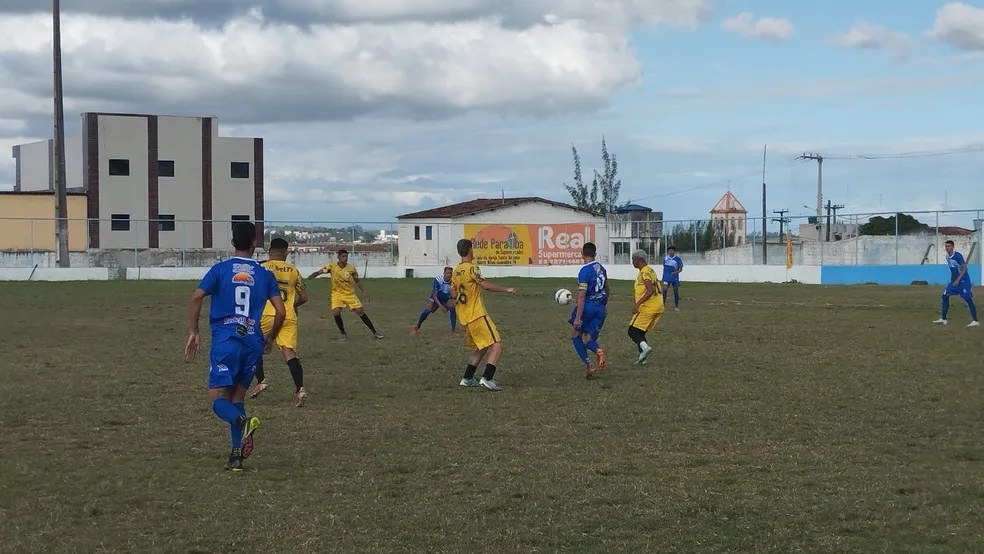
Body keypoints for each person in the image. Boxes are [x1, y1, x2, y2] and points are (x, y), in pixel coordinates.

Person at [184, 221, 286, 472]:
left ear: (232, 243)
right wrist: (270, 338)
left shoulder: (220, 270)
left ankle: (242, 422)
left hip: (226, 341)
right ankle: (235, 456)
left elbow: (197, 296)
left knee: (218, 399)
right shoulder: (265, 274)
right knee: (237, 398)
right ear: (254, 243)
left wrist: (194, 331)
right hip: (252, 342)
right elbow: (281, 311)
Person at [249, 238, 311, 407]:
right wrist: (292, 304)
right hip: (288, 316)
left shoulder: (261, 267)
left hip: (266, 314)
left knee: (254, 348)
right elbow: (304, 297)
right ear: (285, 252)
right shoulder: (293, 270)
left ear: (269, 251)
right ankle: (300, 389)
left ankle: (261, 380)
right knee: (289, 353)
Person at [451, 238, 515, 391]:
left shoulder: (456, 271)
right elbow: (485, 286)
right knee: (497, 346)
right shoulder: (472, 268)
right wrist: (506, 289)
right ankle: (487, 378)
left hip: (465, 317)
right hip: (477, 314)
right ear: (469, 249)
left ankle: (467, 378)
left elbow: (453, 293)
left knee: (482, 347)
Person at [307, 249, 383, 340]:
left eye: (346, 256)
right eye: (343, 256)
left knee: (360, 311)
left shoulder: (351, 268)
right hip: (337, 294)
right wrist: (314, 275)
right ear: (338, 257)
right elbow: (321, 271)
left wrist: (364, 291)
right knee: (336, 312)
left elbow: (357, 280)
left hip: (349, 294)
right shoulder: (332, 266)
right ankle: (343, 334)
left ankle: (375, 332)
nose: (345, 258)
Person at [569, 242, 608, 379]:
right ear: (595, 254)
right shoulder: (601, 268)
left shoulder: (584, 271)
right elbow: (606, 289)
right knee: (588, 340)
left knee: (575, 335)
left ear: (582, 254)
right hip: (601, 308)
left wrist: (578, 317)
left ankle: (589, 366)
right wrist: (605, 306)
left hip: (588, 307)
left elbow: (581, 296)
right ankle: (598, 350)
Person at [628, 249, 664, 364]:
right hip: (658, 306)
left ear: (639, 260)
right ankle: (642, 358)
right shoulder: (650, 270)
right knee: (640, 332)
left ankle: (645, 349)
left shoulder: (644, 272)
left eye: (633, 259)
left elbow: (650, 290)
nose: (632, 262)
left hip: (648, 307)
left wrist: (638, 304)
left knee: (632, 331)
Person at [934, 239, 979, 327]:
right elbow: (953, 270)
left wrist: (958, 280)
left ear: (953, 247)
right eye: (946, 246)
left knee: (968, 299)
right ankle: (944, 319)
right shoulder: (947, 257)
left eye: (949, 246)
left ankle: (975, 321)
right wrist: (952, 281)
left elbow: (965, 269)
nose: (947, 248)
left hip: (963, 281)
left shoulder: (958, 256)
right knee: (944, 296)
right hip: (954, 282)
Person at [411, 266, 458, 335]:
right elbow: (434, 295)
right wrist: (441, 306)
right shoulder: (438, 280)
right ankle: (417, 326)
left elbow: (454, 293)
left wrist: (455, 298)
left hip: (445, 299)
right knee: (427, 310)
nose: (449, 275)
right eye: (448, 273)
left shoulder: (453, 281)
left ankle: (453, 330)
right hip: (435, 298)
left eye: (451, 273)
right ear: (444, 273)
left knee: (452, 308)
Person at [662, 246, 683, 311]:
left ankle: (676, 306)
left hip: (674, 277)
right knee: (664, 290)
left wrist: (675, 272)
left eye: (672, 251)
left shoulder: (677, 259)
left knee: (675, 291)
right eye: (669, 251)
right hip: (666, 277)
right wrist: (664, 276)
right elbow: (664, 267)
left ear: (674, 252)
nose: (671, 252)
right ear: (668, 252)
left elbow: (680, 269)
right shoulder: (665, 259)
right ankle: (663, 306)